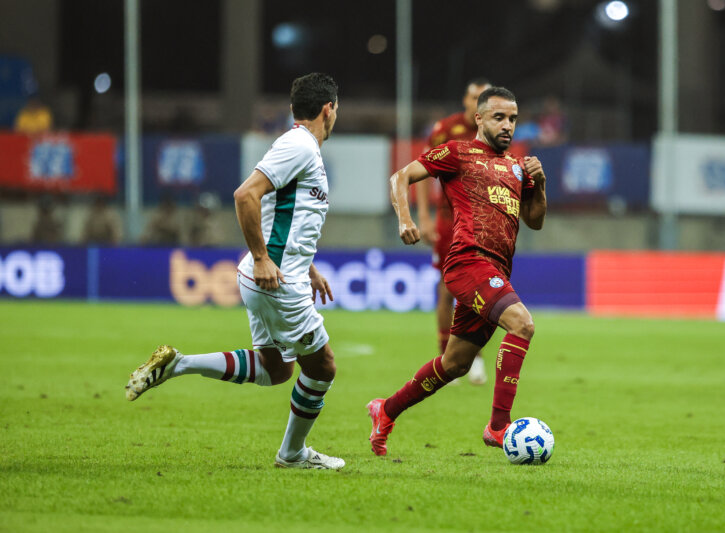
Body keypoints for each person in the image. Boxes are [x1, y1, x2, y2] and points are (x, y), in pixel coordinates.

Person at [125, 73, 345, 470]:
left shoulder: (299, 147)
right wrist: (262, 257)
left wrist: (307, 266)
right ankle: (292, 454)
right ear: (328, 109)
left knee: (276, 370)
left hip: (272, 275)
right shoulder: (299, 146)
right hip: (275, 280)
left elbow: (284, 217)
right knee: (323, 365)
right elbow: (245, 195)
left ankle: (179, 364)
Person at [368, 87, 548, 456]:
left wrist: (540, 184)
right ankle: (498, 427)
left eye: (513, 119)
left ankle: (385, 410)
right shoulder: (457, 153)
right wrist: (406, 219)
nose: (508, 125)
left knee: (455, 364)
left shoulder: (518, 167)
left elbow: (535, 221)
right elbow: (400, 177)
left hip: (496, 269)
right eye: (499, 117)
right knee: (522, 324)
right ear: (479, 119)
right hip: (467, 262)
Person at [416, 78, 492, 386]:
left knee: (482, 289)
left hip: (484, 222)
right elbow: (421, 171)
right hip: (450, 221)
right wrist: (424, 216)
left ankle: (475, 356)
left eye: (484, 98)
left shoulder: (494, 131)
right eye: (475, 97)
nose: (478, 103)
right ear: (466, 99)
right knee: (448, 288)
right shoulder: (445, 130)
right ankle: (445, 357)